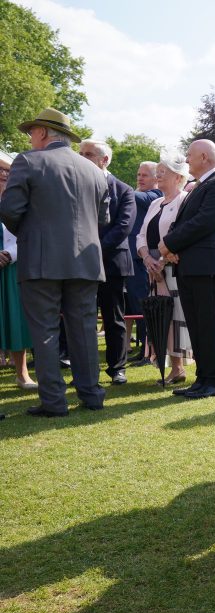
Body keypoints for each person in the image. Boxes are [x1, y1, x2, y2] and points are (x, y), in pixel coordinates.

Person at [0, 108, 109, 417]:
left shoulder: (29, 161)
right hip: (86, 262)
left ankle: (54, 401)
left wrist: (32, 234)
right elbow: (103, 219)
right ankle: (91, 395)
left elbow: (8, 209)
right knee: (84, 329)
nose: (30, 138)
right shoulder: (93, 171)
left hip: (41, 261)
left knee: (45, 331)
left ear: (44, 133)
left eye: (32, 131)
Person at [159, 139, 215, 400]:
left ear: (204, 157)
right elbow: (185, 221)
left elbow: (204, 222)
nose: (186, 158)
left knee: (208, 324)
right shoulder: (200, 187)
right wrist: (170, 248)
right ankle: (203, 378)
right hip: (191, 266)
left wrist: (168, 244)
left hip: (208, 266)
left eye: (190, 154)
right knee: (196, 325)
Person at [79, 139, 136, 385]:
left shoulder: (123, 190)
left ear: (105, 160)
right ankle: (85, 372)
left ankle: (117, 368)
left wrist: (93, 250)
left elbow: (123, 227)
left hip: (111, 263)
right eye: (80, 153)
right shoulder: (75, 186)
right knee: (81, 320)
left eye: (88, 154)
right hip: (79, 263)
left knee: (113, 318)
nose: (82, 157)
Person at [136, 153, 192, 384]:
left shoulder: (184, 200)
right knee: (159, 318)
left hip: (172, 270)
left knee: (176, 318)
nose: (158, 175)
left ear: (178, 177)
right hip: (152, 270)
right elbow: (140, 235)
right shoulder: (154, 202)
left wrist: (162, 261)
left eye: (163, 172)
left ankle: (177, 368)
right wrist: (147, 259)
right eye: (157, 171)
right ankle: (167, 364)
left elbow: (181, 235)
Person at [0, 150, 37, 391]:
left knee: (15, 321)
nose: (4, 175)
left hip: (12, 267)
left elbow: (29, 233)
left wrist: (10, 255)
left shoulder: (21, 202)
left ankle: (22, 373)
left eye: (7, 171)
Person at [126, 161, 162, 364]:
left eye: (145, 175)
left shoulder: (155, 196)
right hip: (134, 258)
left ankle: (149, 351)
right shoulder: (140, 196)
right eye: (138, 174)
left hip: (143, 261)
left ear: (157, 178)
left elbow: (132, 195)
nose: (140, 178)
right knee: (137, 307)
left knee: (144, 307)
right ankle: (144, 350)